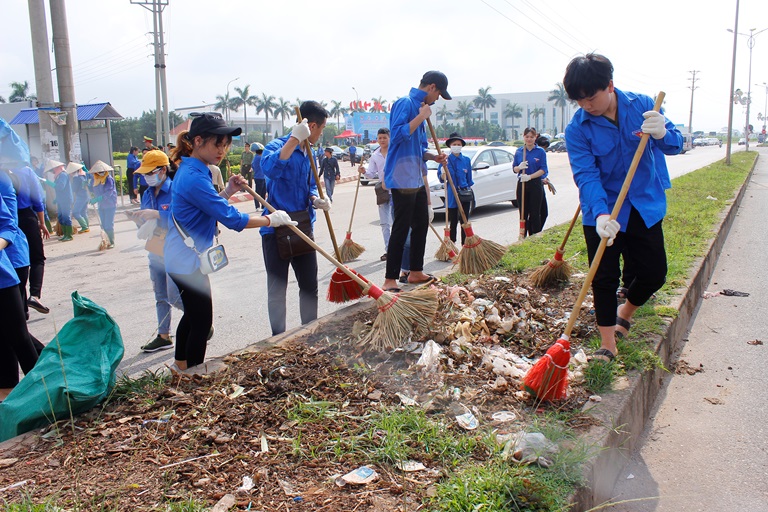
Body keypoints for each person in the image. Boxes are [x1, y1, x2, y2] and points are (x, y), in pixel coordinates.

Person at [563, 52, 682, 363]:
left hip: (643, 204)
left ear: (610, 85)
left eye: (591, 97)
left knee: (655, 273)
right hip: (602, 210)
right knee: (603, 278)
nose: (586, 105)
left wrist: (662, 132)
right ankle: (607, 343)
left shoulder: (644, 106)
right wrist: (601, 213)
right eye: (579, 100)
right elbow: (586, 174)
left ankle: (625, 311)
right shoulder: (577, 129)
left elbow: (676, 144)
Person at [165, 112, 294, 371]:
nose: (222, 150)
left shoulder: (194, 169)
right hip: (185, 260)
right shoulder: (193, 176)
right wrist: (271, 220)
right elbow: (232, 219)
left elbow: (206, 207)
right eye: (217, 144)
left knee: (193, 315)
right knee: (202, 321)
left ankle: (180, 368)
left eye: (226, 145)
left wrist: (228, 191)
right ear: (198, 141)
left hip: (181, 256)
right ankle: (193, 376)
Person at [260, 101, 330, 336]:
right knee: (277, 290)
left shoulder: (310, 154)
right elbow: (270, 170)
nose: (320, 135)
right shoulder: (277, 146)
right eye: (320, 129)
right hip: (276, 228)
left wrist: (316, 198)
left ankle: (310, 333)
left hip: (302, 225)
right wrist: (293, 140)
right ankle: (277, 339)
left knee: (309, 286)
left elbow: (310, 185)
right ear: (311, 126)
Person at [382, 70, 450, 292]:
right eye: (438, 94)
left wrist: (434, 156)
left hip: (416, 177)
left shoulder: (421, 109)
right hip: (402, 178)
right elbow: (399, 135)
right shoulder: (405, 103)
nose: (437, 99)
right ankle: (390, 279)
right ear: (431, 87)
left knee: (421, 223)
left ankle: (416, 271)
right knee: (401, 228)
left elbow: (419, 148)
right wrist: (421, 116)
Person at [131, 150, 184, 353]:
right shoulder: (146, 193)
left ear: (163, 170)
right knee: (160, 295)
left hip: (174, 251)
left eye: (149, 172)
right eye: (144, 174)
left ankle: (199, 319)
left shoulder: (176, 191)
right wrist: (139, 220)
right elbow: (146, 223)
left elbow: (181, 218)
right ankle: (164, 335)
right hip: (155, 249)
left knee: (173, 295)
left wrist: (158, 214)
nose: (146, 177)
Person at [0, 193, 39, 402]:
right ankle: (7, 399)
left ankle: (43, 395)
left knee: (19, 337)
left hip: (3, 279)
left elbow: (8, 225)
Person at [10, 162, 50, 315]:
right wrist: (41, 222)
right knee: (37, 258)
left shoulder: (3, 172)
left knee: (17, 262)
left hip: (8, 219)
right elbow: (37, 199)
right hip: (27, 217)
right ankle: (34, 295)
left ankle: (21, 306)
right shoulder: (26, 171)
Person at [359, 127, 392, 261]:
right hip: (383, 192)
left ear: (389, 138)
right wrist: (364, 171)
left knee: (397, 223)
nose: (382, 140)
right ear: (377, 139)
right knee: (384, 224)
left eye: (385, 137)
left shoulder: (395, 152)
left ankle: (400, 250)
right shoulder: (375, 155)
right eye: (380, 138)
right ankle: (389, 250)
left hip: (397, 191)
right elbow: (371, 174)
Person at [438, 132, 474, 244]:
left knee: (465, 221)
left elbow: (469, 179)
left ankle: (466, 245)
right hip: (452, 194)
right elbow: (441, 178)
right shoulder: (446, 160)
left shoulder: (466, 160)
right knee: (453, 221)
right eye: (454, 144)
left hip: (464, 193)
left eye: (459, 144)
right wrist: (443, 173)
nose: (456, 146)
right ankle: (452, 244)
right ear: (450, 145)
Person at [513, 127, 548, 236]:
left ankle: (535, 236)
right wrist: (519, 168)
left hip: (535, 184)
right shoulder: (519, 151)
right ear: (523, 137)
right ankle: (523, 235)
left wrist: (530, 177)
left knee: (535, 213)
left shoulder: (540, 152)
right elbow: (514, 168)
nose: (529, 139)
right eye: (527, 137)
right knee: (523, 212)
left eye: (531, 137)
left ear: (535, 137)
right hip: (522, 183)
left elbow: (543, 170)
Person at [89, 160, 118, 249]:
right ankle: (106, 240)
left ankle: (111, 241)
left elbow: (109, 192)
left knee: (108, 223)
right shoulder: (95, 179)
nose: (100, 173)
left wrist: (98, 198)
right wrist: (86, 186)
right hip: (101, 205)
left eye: (102, 172)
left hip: (110, 204)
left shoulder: (109, 179)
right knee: (103, 224)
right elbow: (91, 189)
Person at [47, 160, 73, 241]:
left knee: (66, 217)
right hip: (61, 199)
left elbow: (60, 187)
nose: (53, 171)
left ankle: (69, 235)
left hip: (66, 199)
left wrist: (50, 183)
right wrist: (56, 199)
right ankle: (65, 234)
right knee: (61, 217)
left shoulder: (63, 175)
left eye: (54, 169)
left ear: (58, 168)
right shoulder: (58, 176)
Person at [68, 162, 90, 234]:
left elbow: (74, 189)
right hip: (86, 195)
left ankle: (84, 227)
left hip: (80, 196)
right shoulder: (83, 175)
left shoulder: (76, 178)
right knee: (83, 211)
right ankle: (87, 226)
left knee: (76, 212)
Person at [251, 142, 266, 211]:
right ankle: (258, 207)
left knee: (262, 193)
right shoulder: (259, 158)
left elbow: (253, 166)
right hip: (260, 177)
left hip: (261, 177)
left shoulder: (256, 158)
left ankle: (263, 206)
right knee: (259, 193)